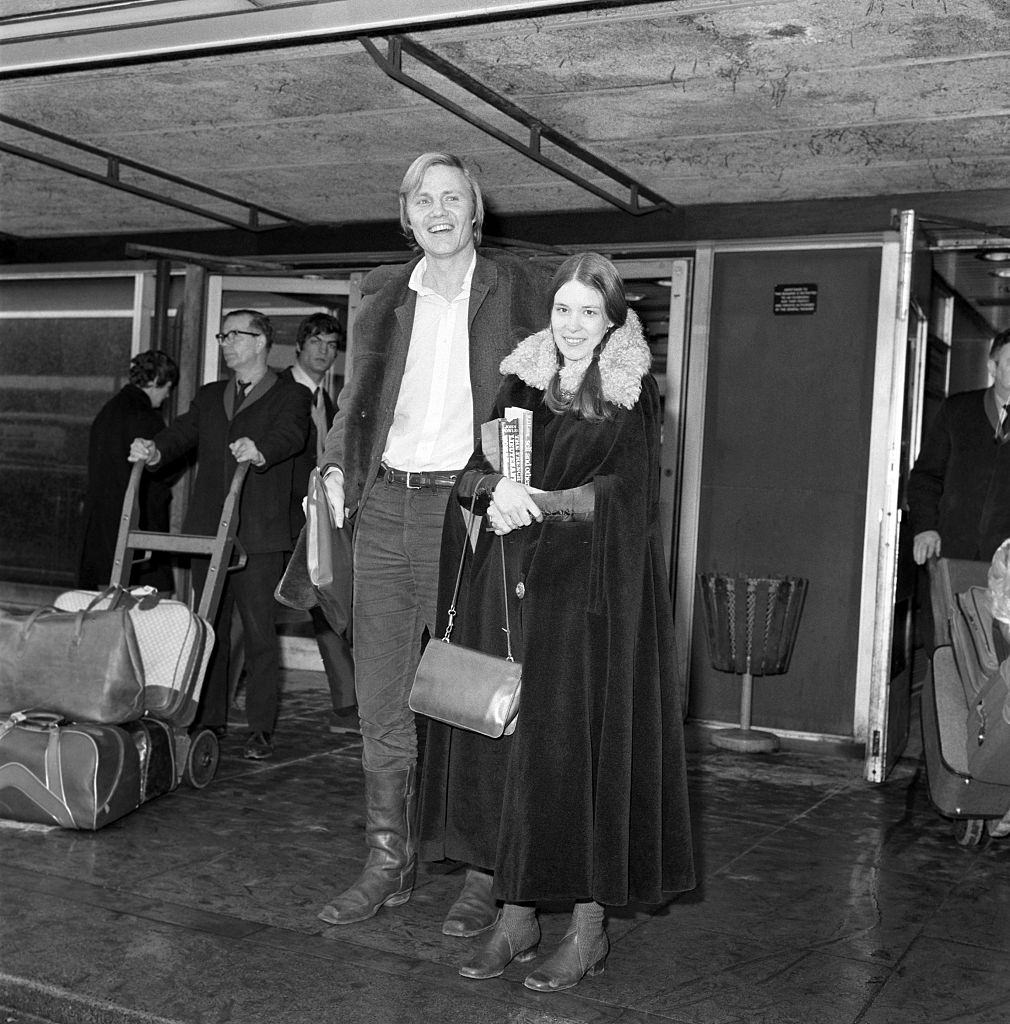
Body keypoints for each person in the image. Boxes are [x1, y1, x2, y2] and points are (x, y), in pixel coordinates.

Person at [417, 253, 695, 992]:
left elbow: (626, 500)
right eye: (563, 310)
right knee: (507, 754)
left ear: (611, 321)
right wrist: (489, 489)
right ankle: (514, 917)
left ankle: (587, 928)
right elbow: (471, 470)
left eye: (589, 313)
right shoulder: (520, 381)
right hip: (507, 595)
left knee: (577, 756)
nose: (573, 326)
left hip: (587, 601)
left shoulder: (630, 394)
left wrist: (537, 499)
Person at [315, 152, 552, 930]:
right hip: (384, 505)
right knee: (382, 697)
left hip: (468, 511)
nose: (439, 210)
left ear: (475, 210)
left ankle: (485, 870)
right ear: (407, 213)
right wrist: (335, 466)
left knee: (472, 694)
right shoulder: (382, 291)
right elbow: (356, 401)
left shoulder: (519, 285)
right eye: (424, 199)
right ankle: (392, 860)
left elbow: (590, 320)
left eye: (453, 197)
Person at [129, 309, 310, 761]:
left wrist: (261, 449)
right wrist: (154, 451)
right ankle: (209, 719)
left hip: (260, 534)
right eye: (222, 335)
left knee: (258, 633)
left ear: (262, 342)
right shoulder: (211, 396)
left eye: (236, 335)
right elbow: (181, 436)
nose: (226, 343)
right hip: (209, 531)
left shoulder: (291, 395)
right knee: (207, 627)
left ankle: (261, 727)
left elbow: (292, 435)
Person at [279, 313, 356, 732]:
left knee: (330, 605)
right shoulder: (281, 391)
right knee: (248, 618)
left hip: (317, 521)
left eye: (331, 344)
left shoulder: (330, 399)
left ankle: (347, 703)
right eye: (317, 342)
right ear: (299, 345)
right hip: (280, 518)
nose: (324, 352)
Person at [78, 349, 179, 592]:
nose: (167, 396)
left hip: (102, 525)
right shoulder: (146, 416)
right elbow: (161, 473)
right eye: (168, 388)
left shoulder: (109, 410)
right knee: (149, 606)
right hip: (137, 524)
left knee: (107, 603)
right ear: (156, 381)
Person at [908, 327, 1010, 567]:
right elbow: (926, 477)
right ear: (992, 368)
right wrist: (926, 527)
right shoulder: (957, 411)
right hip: (951, 553)